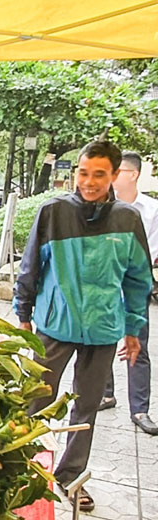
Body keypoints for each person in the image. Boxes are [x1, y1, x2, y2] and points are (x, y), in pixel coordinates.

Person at [14, 140, 153, 512]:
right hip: (54, 325)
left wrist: (133, 328)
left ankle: (70, 476)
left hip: (104, 329)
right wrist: (22, 311)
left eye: (99, 175)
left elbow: (138, 280)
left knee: (86, 407)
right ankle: (21, 469)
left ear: (113, 176)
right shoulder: (53, 211)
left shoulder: (128, 219)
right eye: (83, 172)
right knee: (37, 400)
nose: (90, 182)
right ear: (76, 171)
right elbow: (31, 266)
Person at [98, 151, 158, 434]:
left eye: (117, 171)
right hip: (106, 282)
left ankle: (140, 409)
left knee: (138, 344)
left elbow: (152, 250)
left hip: (135, 283)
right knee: (102, 341)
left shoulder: (151, 210)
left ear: (132, 174)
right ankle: (105, 393)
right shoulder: (103, 206)